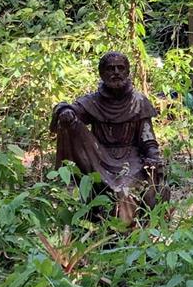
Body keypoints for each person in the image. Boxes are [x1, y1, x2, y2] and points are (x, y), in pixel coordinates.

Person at [50, 51, 167, 225]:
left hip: (130, 158)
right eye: (111, 68)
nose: (116, 72)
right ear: (102, 73)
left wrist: (153, 156)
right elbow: (67, 108)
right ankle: (72, 187)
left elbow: (147, 137)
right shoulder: (93, 101)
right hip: (98, 156)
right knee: (69, 122)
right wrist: (64, 112)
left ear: (127, 72)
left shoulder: (139, 102)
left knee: (126, 188)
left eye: (121, 68)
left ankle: (128, 229)